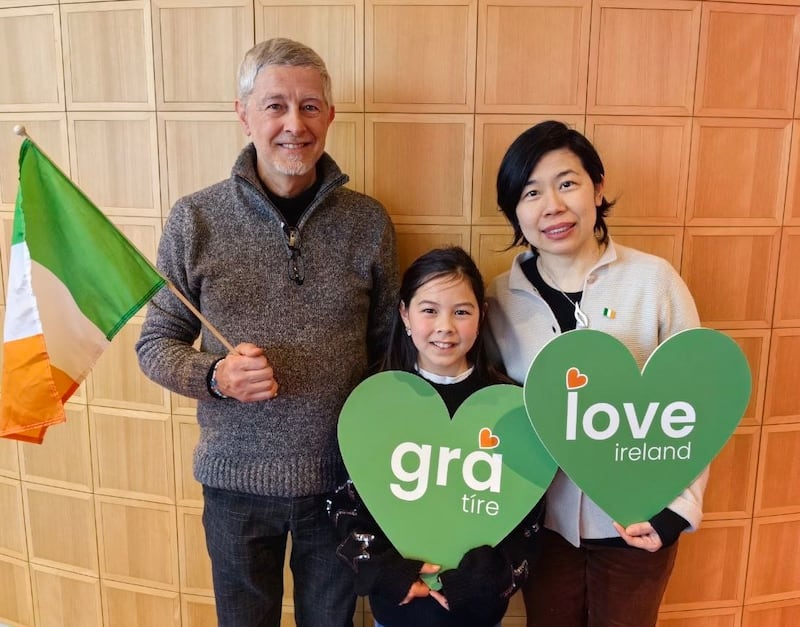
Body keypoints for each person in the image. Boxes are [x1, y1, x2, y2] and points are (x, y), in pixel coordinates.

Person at [135, 38, 399, 627]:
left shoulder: (369, 222)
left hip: (341, 485)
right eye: (275, 105)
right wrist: (216, 376)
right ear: (243, 113)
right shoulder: (194, 219)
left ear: (330, 116)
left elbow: (389, 354)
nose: (293, 125)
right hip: (234, 487)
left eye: (309, 107)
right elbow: (154, 344)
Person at [485, 120, 708, 627]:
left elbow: (696, 401)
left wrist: (677, 508)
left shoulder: (653, 281)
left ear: (598, 186)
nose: (553, 207)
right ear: (515, 211)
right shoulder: (498, 299)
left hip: (638, 519)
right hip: (544, 527)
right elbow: (490, 411)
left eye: (567, 183)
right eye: (531, 193)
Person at [328, 246, 543, 627]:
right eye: (429, 310)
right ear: (404, 315)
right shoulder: (373, 401)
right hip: (397, 609)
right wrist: (387, 572)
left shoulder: (511, 409)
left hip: (476, 612)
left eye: (461, 311)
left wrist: (485, 578)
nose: (445, 326)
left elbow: (528, 516)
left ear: (481, 317)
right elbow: (344, 502)